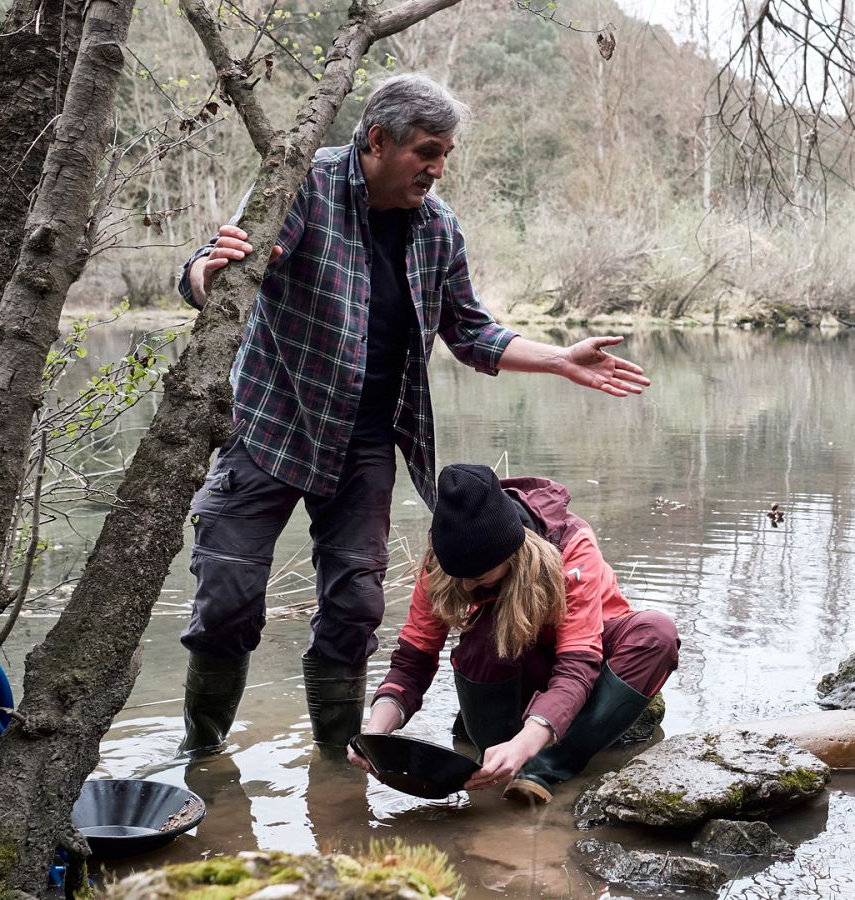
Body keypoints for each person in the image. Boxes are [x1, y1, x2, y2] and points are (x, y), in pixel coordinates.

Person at [175, 73, 651, 756]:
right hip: (269, 426)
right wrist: (209, 275)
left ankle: (340, 768)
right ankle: (204, 760)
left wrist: (558, 359)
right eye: (427, 150)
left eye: (446, 154)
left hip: (365, 443)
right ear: (376, 141)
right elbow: (210, 268)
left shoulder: (437, 228)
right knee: (226, 597)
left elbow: (472, 332)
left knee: (354, 608)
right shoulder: (307, 186)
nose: (437, 167)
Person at [348, 463, 679, 804]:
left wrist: (525, 746)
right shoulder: (443, 560)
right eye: (456, 573)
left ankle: (543, 769)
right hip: (514, 669)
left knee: (657, 633)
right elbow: (412, 663)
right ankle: (495, 755)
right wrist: (375, 736)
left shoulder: (573, 544)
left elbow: (577, 666)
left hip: (588, 664)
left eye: (478, 575)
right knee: (490, 630)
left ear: (512, 554)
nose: (464, 585)